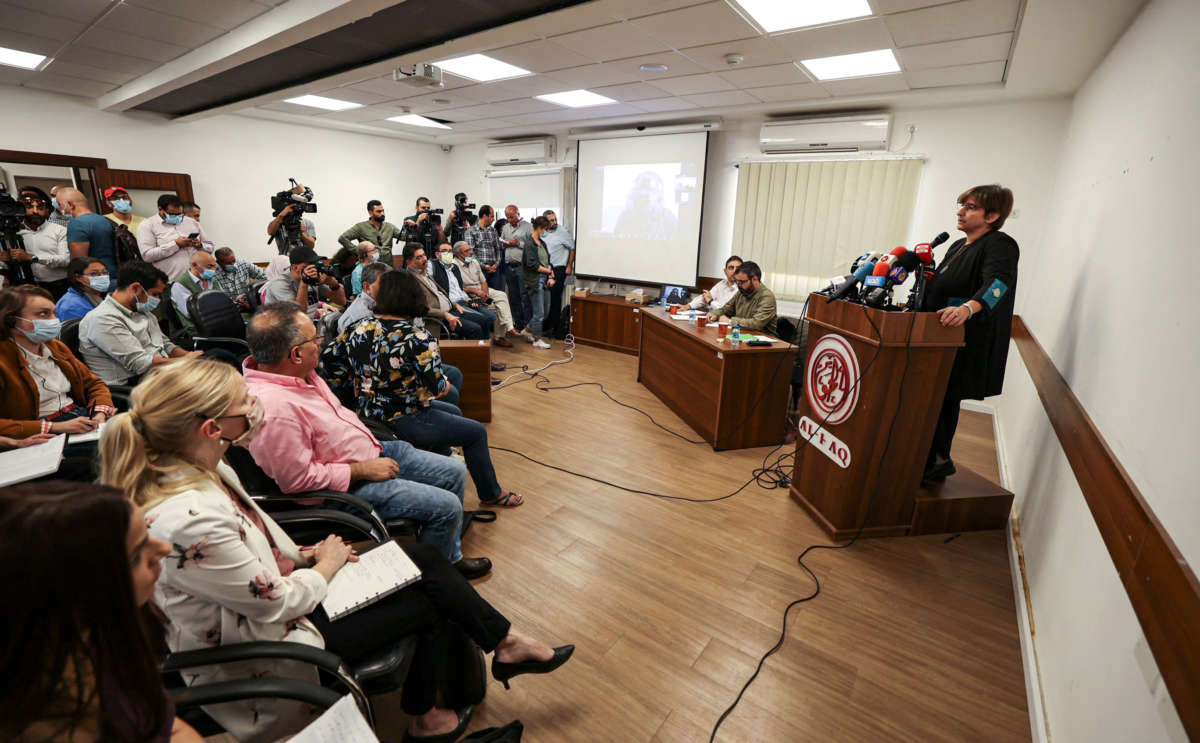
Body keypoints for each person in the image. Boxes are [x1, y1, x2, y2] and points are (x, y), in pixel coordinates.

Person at [98, 359, 572, 743]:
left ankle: (503, 646)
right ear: (210, 428)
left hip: (276, 604)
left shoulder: (206, 469)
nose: (254, 409)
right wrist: (324, 565)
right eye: (244, 405)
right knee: (433, 598)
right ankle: (438, 709)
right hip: (269, 645)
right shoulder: (189, 517)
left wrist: (304, 554)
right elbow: (276, 603)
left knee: (422, 559)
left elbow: (253, 541)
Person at [244, 304, 490, 577]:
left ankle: (447, 554)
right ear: (296, 354)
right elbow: (297, 481)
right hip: (345, 489)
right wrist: (361, 470)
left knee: (454, 471)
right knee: (447, 507)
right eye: (314, 339)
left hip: (372, 450)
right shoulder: (274, 409)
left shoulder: (301, 374)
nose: (320, 343)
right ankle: (436, 578)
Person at [0, 482, 204, 743]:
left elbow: (164, 726)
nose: (163, 550)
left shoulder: (96, 642)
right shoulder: (39, 724)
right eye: (136, 554)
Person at [324, 271, 526, 509]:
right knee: (475, 432)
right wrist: (439, 384)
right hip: (405, 417)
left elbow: (330, 363)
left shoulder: (358, 328)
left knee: (453, 411)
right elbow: (439, 387)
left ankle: (437, 467)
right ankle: (491, 493)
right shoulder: (418, 337)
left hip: (367, 414)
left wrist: (358, 384)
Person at [920, 185, 1019, 481]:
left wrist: (968, 308)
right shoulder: (957, 246)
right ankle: (925, 456)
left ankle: (937, 459)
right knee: (932, 399)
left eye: (970, 206)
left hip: (963, 339)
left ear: (992, 215)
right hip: (937, 335)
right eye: (961, 204)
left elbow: (999, 284)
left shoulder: (1000, 244)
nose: (961, 211)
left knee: (945, 398)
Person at [0, 285, 116, 480]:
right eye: (43, 314)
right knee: (108, 457)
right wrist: (55, 428)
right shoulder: (4, 360)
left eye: (53, 313)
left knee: (147, 431)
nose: (54, 321)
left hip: (81, 418)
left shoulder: (56, 347)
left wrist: (99, 413)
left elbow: (94, 384)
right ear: (12, 321)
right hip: (41, 432)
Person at [80, 261, 202, 385]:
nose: (158, 299)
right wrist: (185, 361)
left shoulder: (142, 310)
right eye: (155, 294)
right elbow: (140, 364)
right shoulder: (103, 319)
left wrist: (191, 356)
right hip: (135, 385)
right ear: (135, 288)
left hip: (160, 373)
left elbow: (165, 345)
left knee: (215, 359)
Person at [402, 242, 489, 340]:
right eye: (419, 257)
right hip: (438, 318)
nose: (424, 259)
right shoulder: (408, 280)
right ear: (409, 262)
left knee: (485, 320)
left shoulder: (424, 273)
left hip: (451, 309)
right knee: (475, 329)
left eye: (424, 255)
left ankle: (483, 352)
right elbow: (419, 309)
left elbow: (440, 294)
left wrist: (456, 305)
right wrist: (445, 314)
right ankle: (474, 355)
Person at [137, 194, 213, 281]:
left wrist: (199, 245)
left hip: (200, 277)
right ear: (160, 209)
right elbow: (147, 256)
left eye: (180, 214)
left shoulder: (192, 223)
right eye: (172, 214)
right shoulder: (147, 225)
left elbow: (210, 247)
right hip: (172, 281)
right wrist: (176, 244)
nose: (177, 217)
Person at [454, 239, 515, 347]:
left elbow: (483, 281)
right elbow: (456, 288)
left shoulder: (474, 261)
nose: (471, 252)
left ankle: (509, 326)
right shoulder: (454, 266)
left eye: (470, 249)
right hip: (468, 294)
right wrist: (475, 291)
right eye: (467, 251)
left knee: (502, 295)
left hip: (481, 291)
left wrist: (485, 294)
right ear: (459, 254)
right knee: (497, 308)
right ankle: (499, 337)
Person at [430, 242, 499, 335]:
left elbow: (460, 290)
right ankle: (481, 346)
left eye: (450, 251)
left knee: (492, 317)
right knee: (484, 321)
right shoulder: (434, 267)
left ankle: (485, 345)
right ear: (437, 254)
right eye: (444, 251)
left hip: (465, 301)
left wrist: (470, 300)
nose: (448, 253)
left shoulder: (454, 268)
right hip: (454, 305)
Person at [15, 186, 70, 297]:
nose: (35, 211)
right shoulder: (16, 234)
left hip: (60, 286)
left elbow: (65, 260)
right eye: (29, 207)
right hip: (30, 289)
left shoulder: (60, 230)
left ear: (47, 210)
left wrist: (33, 257)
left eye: (40, 207)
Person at [262, 245, 347, 309]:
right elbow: (298, 314)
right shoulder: (279, 284)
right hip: (281, 329)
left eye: (315, 264)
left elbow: (342, 301)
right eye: (308, 265)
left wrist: (333, 283)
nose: (313, 268)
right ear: (295, 268)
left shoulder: (313, 277)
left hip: (306, 324)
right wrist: (304, 284)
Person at [59, 186, 119, 275]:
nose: (60, 209)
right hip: (114, 275)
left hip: (95, 279)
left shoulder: (77, 224)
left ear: (70, 204)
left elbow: (79, 264)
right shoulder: (105, 220)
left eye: (60, 205)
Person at [712, 260, 778, 336]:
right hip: (742, 335)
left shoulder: (767, 297)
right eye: (737, 281)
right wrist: (715, 314)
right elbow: (726, 309)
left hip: (762, 341)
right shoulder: (741, 292)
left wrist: (730, 321)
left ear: (755, 279)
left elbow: (756, 324)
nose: (739, 285)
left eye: (742, 282)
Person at [266, 185, 317, 275]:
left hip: (305, 262)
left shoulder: (307, 223)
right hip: (285, 263)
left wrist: (302, 233)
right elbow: (270, 231)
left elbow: (311, 245)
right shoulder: (278, 222)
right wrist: (281, 216)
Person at [541, 210, 575, 340]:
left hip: (559, 269)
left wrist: (569, 266)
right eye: (551, 220)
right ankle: (545, 326)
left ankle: (553, 329)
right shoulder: (543, 233)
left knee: (555, 300)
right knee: (545, 301)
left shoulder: (562, 232)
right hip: (545, 270)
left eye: (555, 219)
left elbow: (572, 248)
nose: (554, 222)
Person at [615, 170, 678, 240]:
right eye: (642, 189)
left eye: (651, 190)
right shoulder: (625, 216)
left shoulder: (668, 217)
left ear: (659, 194)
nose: (645, 193)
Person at [522, 216, 555, 349]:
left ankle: (528, 329)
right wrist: (548, 272)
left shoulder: (542, 243)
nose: (546, 232)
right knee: (539, 313)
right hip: (535, 281)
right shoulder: (530, 243)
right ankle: (537, 340)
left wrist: (551, 273)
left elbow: (547, 260)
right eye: (545, 229)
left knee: (545, 311)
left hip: (545, 279)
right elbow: (532, 265)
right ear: (540, 228)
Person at [170, 250, 219, 334]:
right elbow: (193, 314)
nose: (213, 270)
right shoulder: (179, 285)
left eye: (214, 266)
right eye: (209, 266)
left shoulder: (212, 280)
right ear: (194, 265)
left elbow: (222, 299)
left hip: (218, 323)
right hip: (199, 331)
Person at [499, 205, 532, 332]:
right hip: (509, 267)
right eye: (507, 217)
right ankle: (518, 324)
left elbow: (533, 246)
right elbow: (502, 240)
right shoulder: (506, 227)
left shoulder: (528, 227)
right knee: (513, 298)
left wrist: (518, 243)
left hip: (522, 267)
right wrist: (504, 242)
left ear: (518, 213)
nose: (509, 219)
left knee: (525, 297)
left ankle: (528, 326)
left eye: (512, 217)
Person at [339, 200, 403, 265]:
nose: (382, 213)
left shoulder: (390, 227)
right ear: (370, 212)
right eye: (379, 211)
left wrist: (412, 227)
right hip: (370, 266)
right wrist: (359, 251)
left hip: (388, 266)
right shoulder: (361, 227)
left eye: (383, 211)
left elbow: (404, 237)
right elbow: (343, 238)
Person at [337, 259, 389, 335]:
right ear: (367, 287)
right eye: (385, 284)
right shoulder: (358, 319)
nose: (391, 288)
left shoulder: (378, 301)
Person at [56, 256, 110, 321]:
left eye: (105, 272)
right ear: (78, 278)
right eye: (94, 273)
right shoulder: (72, 306)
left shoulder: (100, 295)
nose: (102, 277)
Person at [213, 246, 267, 312]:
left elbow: (264, 275)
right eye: (228, 263)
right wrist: (234, 302)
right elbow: (219, 298)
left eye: (234, 261)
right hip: (230, 308)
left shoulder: (243, 264)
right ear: (219, 262)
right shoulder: (215, 274)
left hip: (249, 304)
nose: (233, 264)